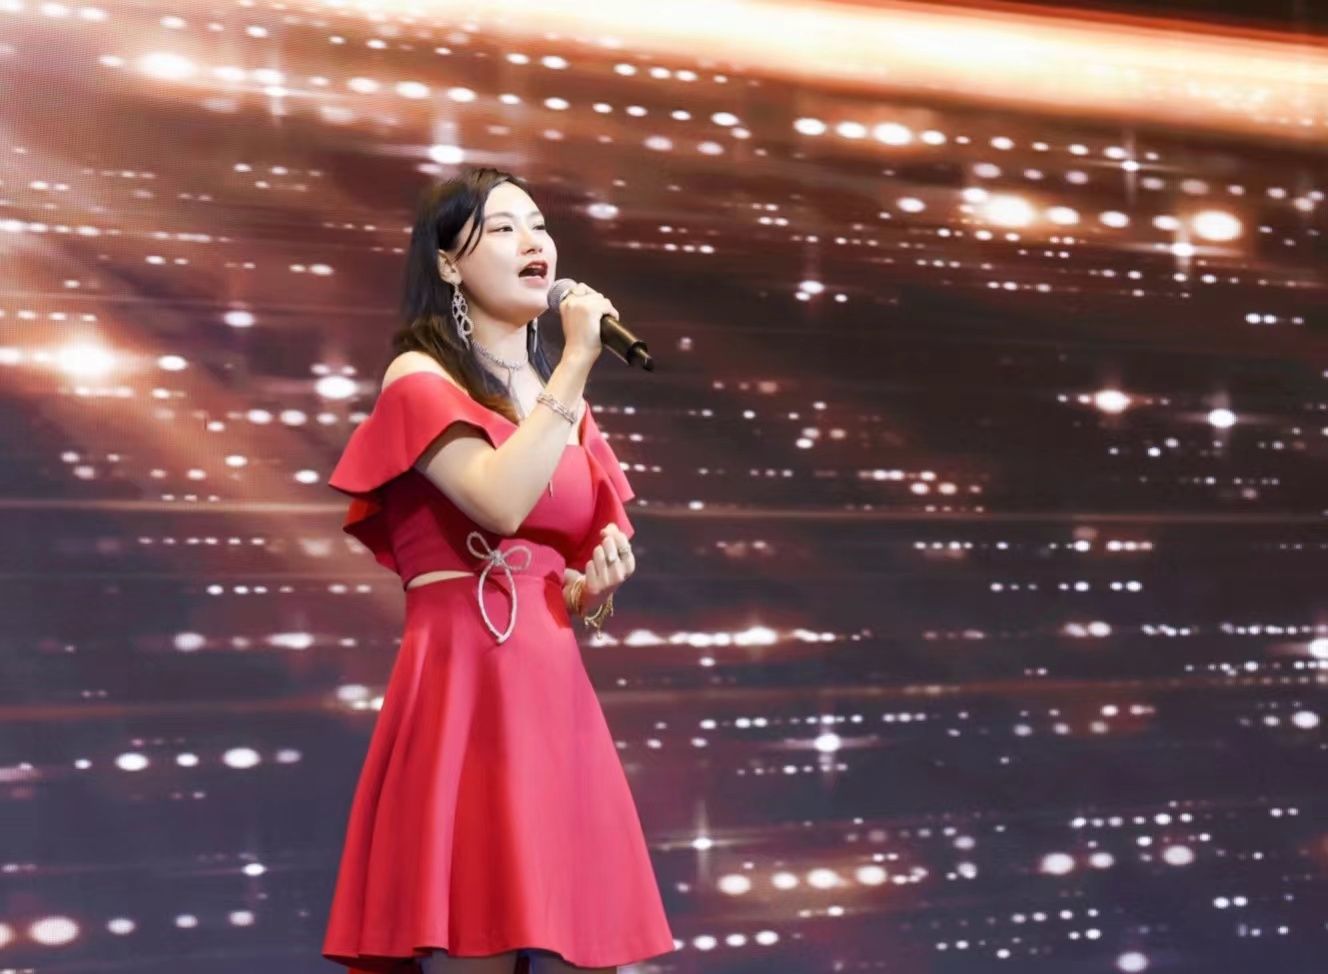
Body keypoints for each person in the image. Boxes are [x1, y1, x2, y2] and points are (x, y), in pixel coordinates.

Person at [320, 168, 676, 974]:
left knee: (592, 942)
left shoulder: (562, 402)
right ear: (450, 263)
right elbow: (499, 502)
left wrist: (592, 589)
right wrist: (575, 362)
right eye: (505, 227)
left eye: (540, 225)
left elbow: (569, 568)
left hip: (554, 691)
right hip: (463, 686)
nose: (533, 241)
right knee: (478, 932)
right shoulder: (419, 379)